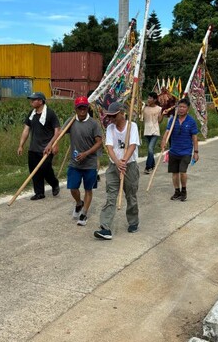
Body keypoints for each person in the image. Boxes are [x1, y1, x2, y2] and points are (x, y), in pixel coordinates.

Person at [94, 102, 140, 240]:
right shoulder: (110, 128)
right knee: (111, 196)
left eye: (114, 116)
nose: (111, 119)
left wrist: (124, 161)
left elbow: (132, 145)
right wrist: (117, 162)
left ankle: (133, 221)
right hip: (114, 166)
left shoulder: (132, 126)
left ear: (121, 113)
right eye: (110, 116)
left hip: (129, 166)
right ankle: (105, 227)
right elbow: (109, 147)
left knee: (131, 196)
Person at [65, 96, 103, 226]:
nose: (82, 110)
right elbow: (59, 134)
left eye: (84, 107)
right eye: (79, 107)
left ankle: (84, 214)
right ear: (75, 108)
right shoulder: (71, 122)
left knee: (88, 189)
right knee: (73, 187)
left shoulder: (93, 124)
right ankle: (78, 203)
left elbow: (99, 142)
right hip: (75, 163)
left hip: (89, 163)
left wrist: (86, 153)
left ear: (87, 108)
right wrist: (51, 145)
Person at [17, 92, 61, 200]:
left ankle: (54, 183)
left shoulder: (50, 114)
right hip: (33, 148)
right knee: (34, 171)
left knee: (45, 168)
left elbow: (57, 131)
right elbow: (26, 130)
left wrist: (54, 145)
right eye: (31, 99)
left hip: (46, 148)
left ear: (40, 101)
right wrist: (21, 145)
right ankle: (39, 192)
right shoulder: (31, 114)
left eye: (34, 99)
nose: (31, 101)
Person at [161, 98, 199, 201]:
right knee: (174, 173)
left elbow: (195, 138)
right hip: (173, 150)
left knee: (182, 172)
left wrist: (196, 152)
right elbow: (167, 132)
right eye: (179, 107)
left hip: (186, 151)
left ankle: (184, 191)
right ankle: (177, 191)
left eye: (184, 107)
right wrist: (163, 141)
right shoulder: (173, 120)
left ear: (188, 109)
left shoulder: (191, 121)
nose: (181, 109)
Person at [142, 92, 163, 174]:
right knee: (150, 150)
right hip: (147, 131)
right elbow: (141, 117)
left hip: (155, 131)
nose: (148, 99)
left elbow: (160, 121)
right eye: (148, 98)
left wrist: (162, 115)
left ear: (155, 99)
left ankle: (148, 167)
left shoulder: (159, 109)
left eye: (150, 98)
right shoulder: (144, 108)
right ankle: (153, 163)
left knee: (150, 149)